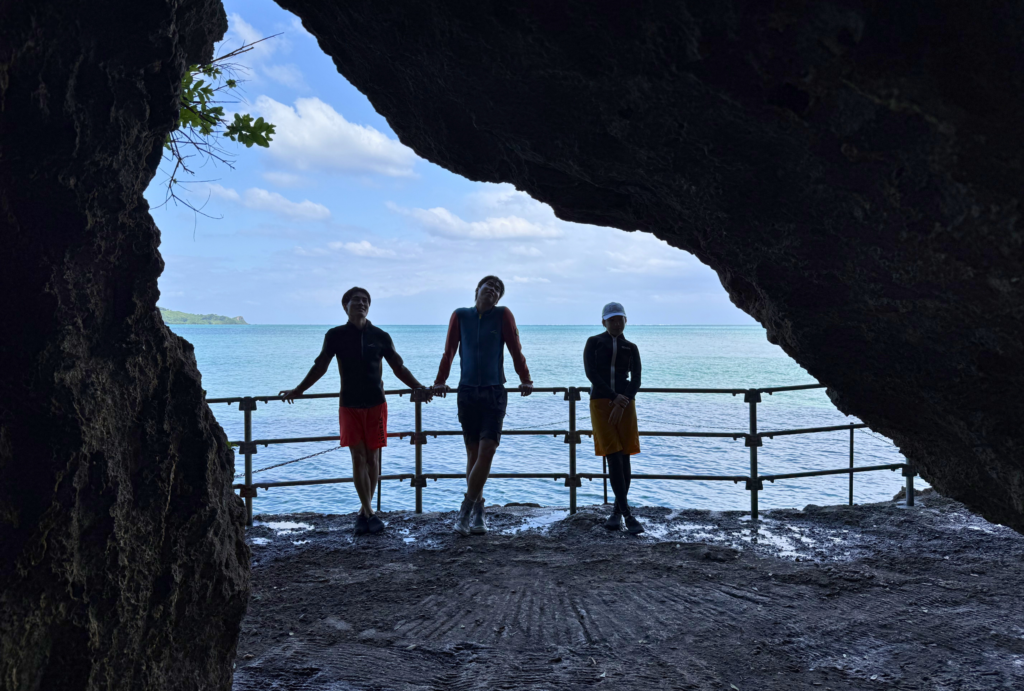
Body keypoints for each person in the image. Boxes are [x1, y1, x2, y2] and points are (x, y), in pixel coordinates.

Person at [279, 287, 431, 536]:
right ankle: (370, 513)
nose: (361, 304)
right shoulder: (336, 335)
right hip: (349, 404)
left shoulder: (380, 336)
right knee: (358, 458)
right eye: (355, 300)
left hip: (376, 404)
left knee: (373, 460)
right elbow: (320, 366)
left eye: (365, 301)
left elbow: (399, 367)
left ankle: (364, 512)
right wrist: (299, 390)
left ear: (369, 306)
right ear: (345, 306)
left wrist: (418, 387)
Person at [432, 275, 534, 536]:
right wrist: (440, 381)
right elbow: (449, 352)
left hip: (494, 391)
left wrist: (525, 379)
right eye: (488, 285)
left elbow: (515, 349)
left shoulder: (502, 315)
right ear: (477, 290)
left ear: (499, 297)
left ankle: (465, 510)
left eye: (498, 289)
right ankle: (479, 512)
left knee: (488, 449)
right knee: (473, 454)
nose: (493, 289)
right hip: (467, 392)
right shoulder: (460, 315)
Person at [584, 301, 644, 534]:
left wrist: (624, 400)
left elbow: (636, 379)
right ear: (604, 322)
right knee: (613, 455)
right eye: (612, 320)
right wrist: (613, 398)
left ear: (625, 321)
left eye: (620, 319)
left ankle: (617, 512)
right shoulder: (594, 342)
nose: (617, 323)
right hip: (601, 402)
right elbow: (591, 373)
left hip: (626, 404)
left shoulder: (631, 347)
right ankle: (627, 514)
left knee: (625, 455)